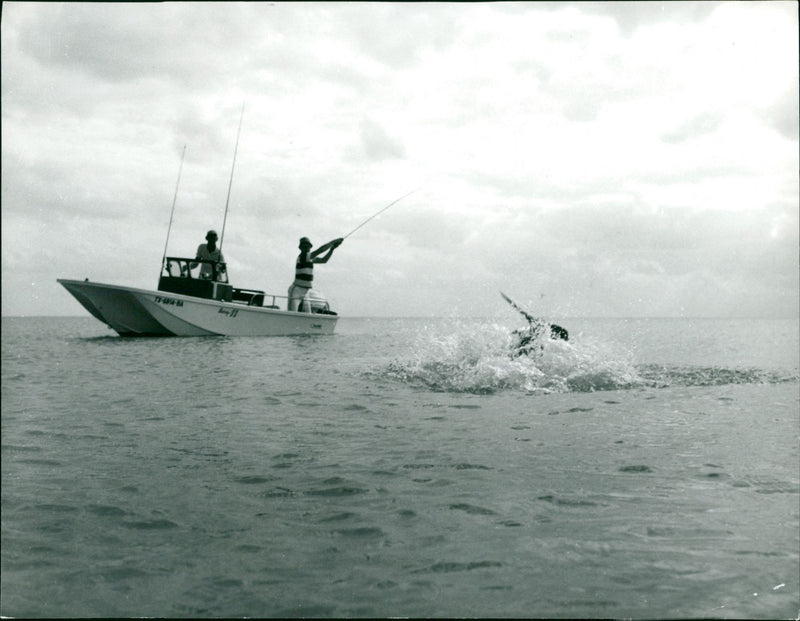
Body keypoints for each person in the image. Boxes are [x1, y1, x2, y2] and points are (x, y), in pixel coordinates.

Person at [288, 236, 343, 311]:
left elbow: (324, 260)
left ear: (310, 247)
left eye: (308, 246)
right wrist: (333, 242)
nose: (306, 248)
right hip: (297, 290)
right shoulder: (303, 256)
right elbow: (319, 251)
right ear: (300, 248)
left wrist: (332, 249)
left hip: (306, 292)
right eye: (304, 246)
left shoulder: (309, 258)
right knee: (292, 313)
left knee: (308, 315)